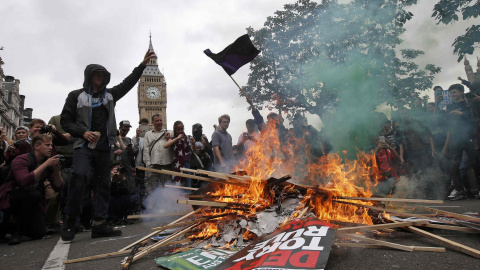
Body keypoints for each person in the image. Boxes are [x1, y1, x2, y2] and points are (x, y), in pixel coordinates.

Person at [60, 51, 154, 241]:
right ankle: (70, 219)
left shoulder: (110, 95)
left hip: (104, 147)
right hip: (83, 146)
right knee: (79, 176)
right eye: (97, 74)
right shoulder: (75, 96)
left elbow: (128, 83)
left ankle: (99, 224)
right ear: (89, 77)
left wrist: (142, 66)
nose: (100, 78)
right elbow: (66, 121)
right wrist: (83, 132)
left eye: (103, 75)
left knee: (103, 184)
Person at [0, 134, 63, 245]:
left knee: (39, 233)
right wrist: (44, 165)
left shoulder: (47, 163)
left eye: (51, 145)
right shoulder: (21, 160)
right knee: (34, 194)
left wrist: (57, 172)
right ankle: (16, 230)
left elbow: (58, 187)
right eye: (47, 145)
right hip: (12, 198)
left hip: (32, 202)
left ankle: (16, 228)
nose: (50, 148)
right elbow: (23, 181)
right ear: (37, 146)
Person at [445, 84, 480, 200]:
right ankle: (459, 190)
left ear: (461, 92)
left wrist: (461, 114)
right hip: (456, 139)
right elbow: (448, 124)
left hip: (469, 137)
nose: (452, 95)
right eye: (451, 93)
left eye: (454, 92)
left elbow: (474, 119)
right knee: (454, 165)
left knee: (476, 163)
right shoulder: (449, 107)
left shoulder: (469, 104)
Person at [143, 114, 173, 192]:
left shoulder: (169, 133)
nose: (159, 122)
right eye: (157, 121)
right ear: (152, 123)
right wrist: (148, 163)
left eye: (160, 120)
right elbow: (146, 149)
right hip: (153, 165)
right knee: (152, 189)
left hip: (167, 165)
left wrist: (169, 138)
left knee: (167, 188)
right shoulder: (148, 134)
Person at [163, 121, 192, 186]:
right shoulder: (173, 138)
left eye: (182, 129)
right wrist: (177, 138)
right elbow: (165, 146)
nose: (180, 131)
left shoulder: (188, 137)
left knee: (188, 184)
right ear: (175, 130)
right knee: (177, 185)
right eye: (178, 129)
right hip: (177, 165)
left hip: (187, 164)